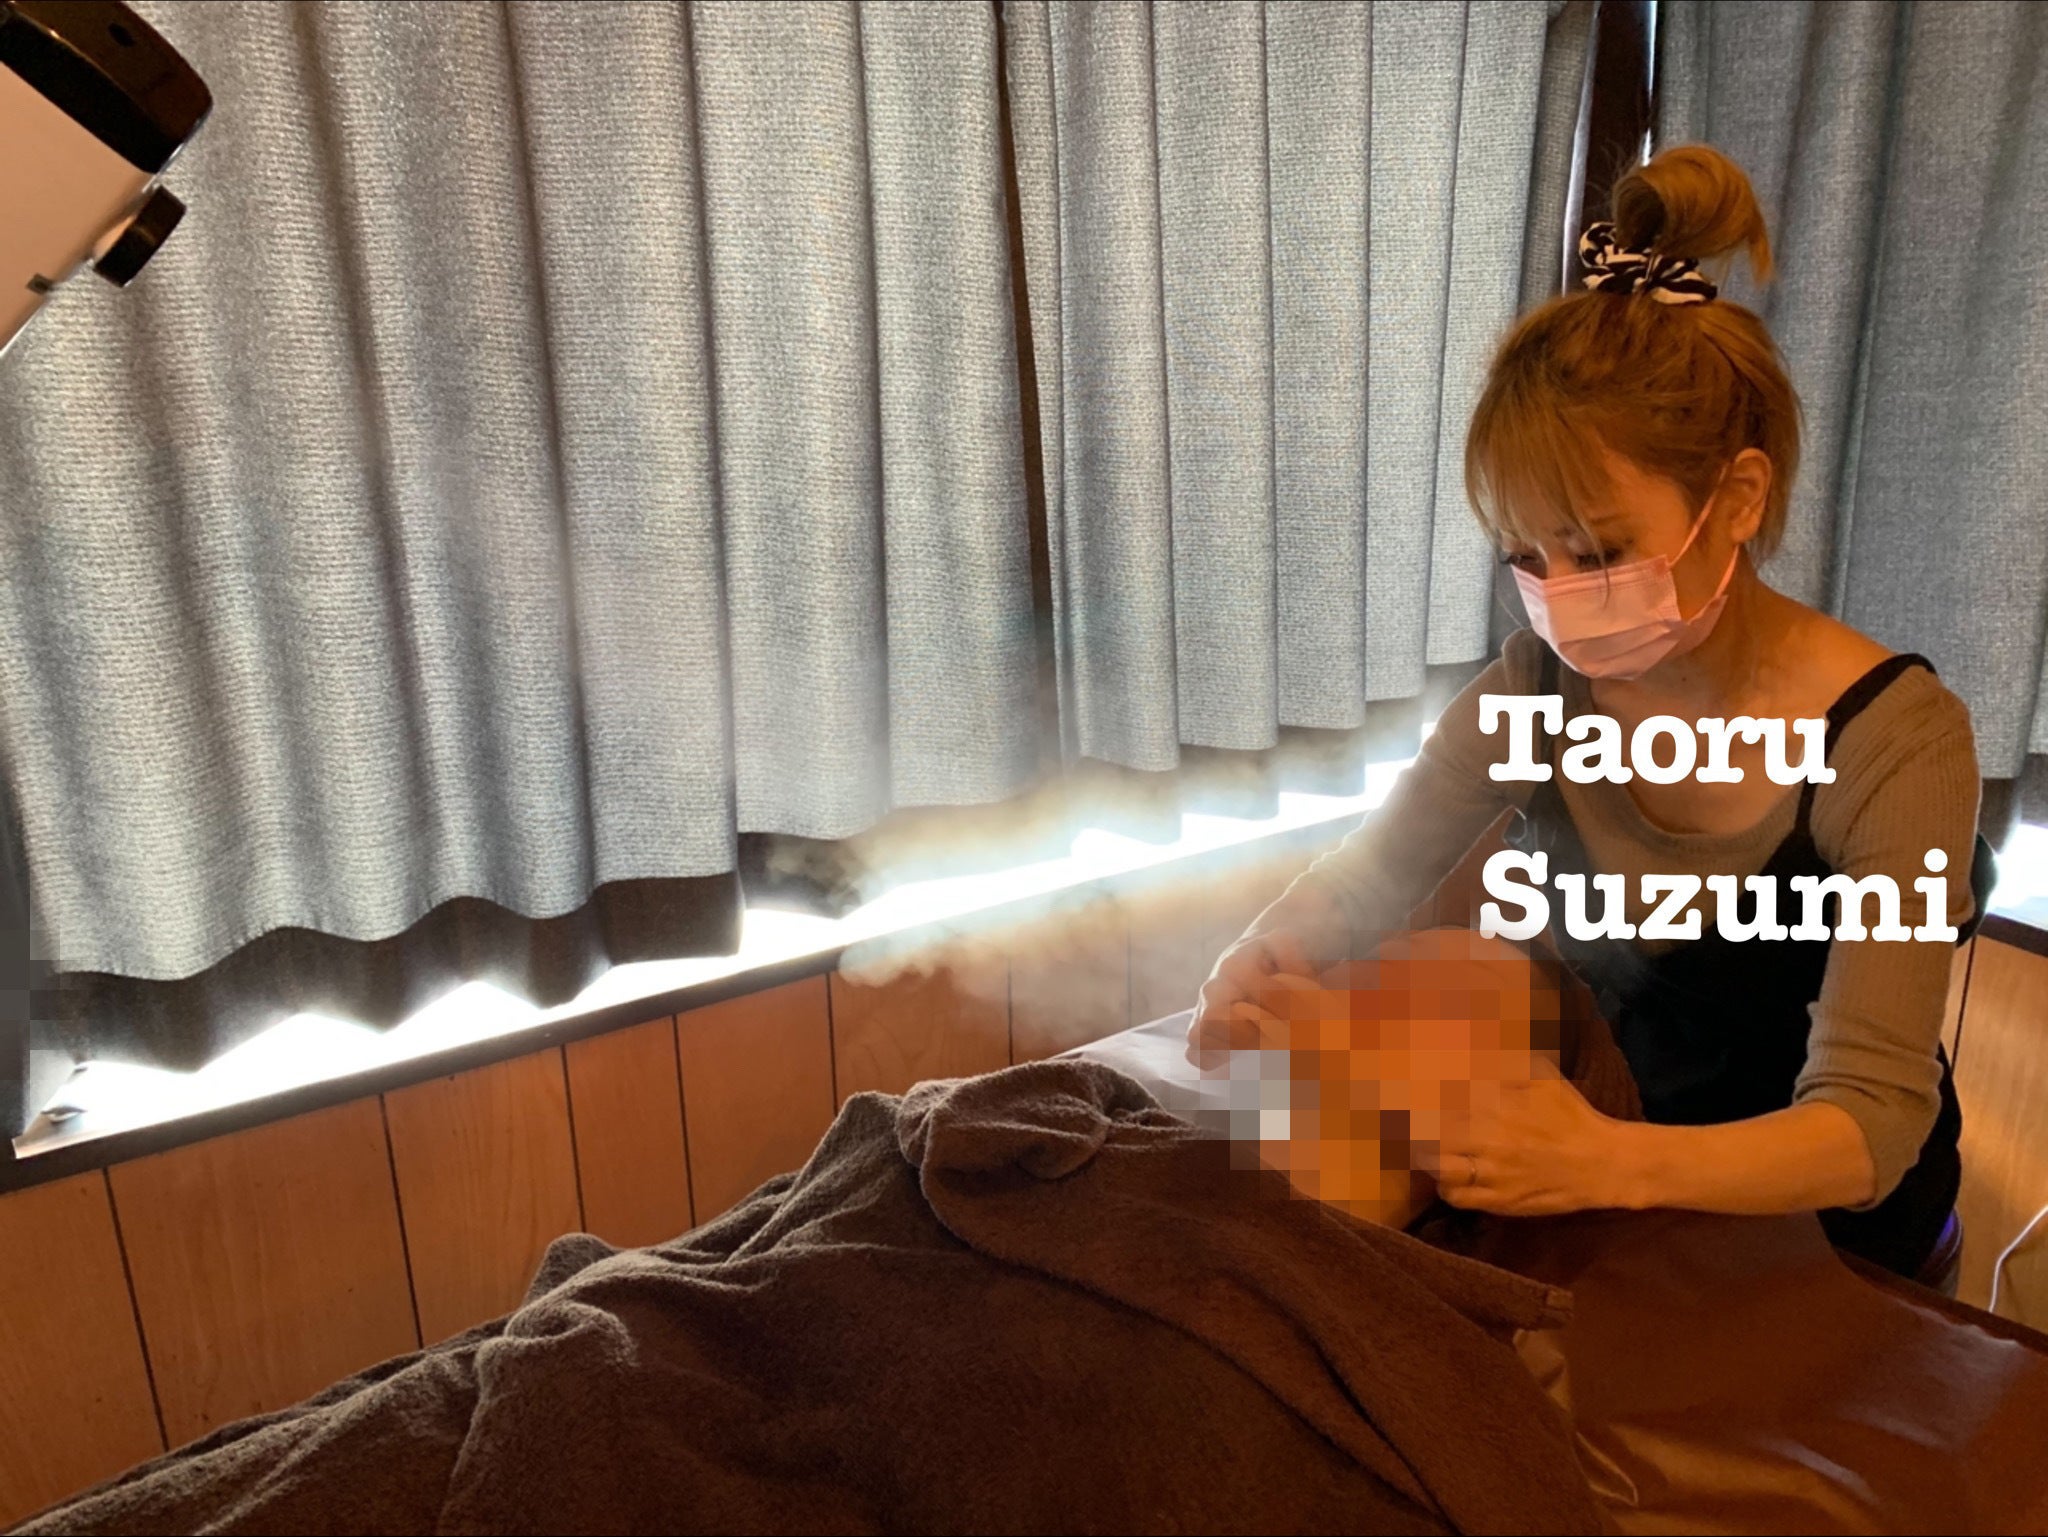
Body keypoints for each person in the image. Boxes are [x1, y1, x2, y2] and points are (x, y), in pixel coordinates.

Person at [1189, 144, 1985, 1280]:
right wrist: (1261, 954)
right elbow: (1368, 878)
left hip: (1830, 1248)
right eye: (1527, 555)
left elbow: (1869, 1123)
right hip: (1601, 1187)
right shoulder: (1533, 691)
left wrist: (1604, 1159)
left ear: (1738, 497)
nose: (1560, 594)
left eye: (1600, 551)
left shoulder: (1896, 746)